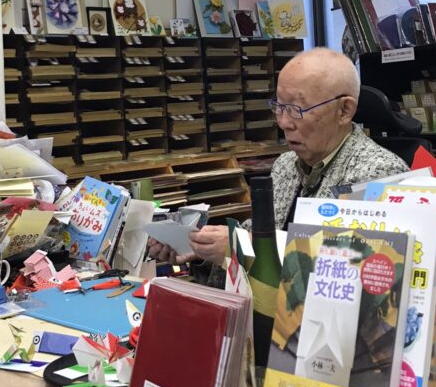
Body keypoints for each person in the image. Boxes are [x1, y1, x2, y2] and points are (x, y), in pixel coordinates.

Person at [148, 47, 408, 269]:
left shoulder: (381, 175)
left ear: (344, 110)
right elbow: (258, 231)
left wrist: (241, 248)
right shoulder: (286, 165)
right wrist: (200, 249)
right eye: (279, 107)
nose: (284, 122)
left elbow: (356, 264)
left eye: (296, 109)